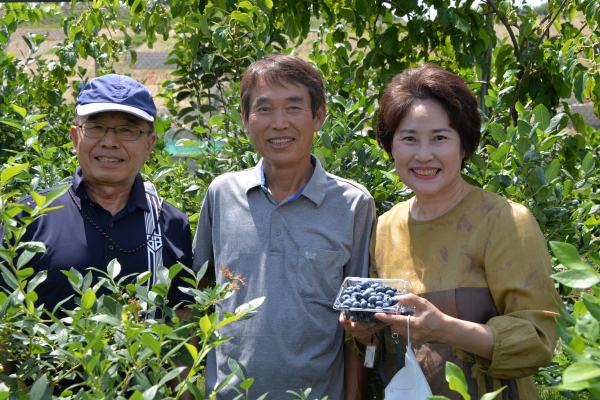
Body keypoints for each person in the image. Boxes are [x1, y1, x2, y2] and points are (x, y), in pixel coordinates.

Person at [341, 64, 560, 399]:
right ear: (391, 147)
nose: (423, 154)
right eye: (409, 139)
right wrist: (364, 335)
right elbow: (376, 354)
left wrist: (445, 329)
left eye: (439, 138)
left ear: (464, 145)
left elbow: (538, 341)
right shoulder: (385, 227)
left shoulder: (504, 221)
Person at [193, 55, 376, 399]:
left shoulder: (352, 205)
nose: (279, 124)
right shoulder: (222, 194)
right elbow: (193, 296)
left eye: (293, 108)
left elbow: (359, 324)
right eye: (264, 109)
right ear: (245, 118)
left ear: (318, 116)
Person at [1, 74, 192, 320]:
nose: (110, 142)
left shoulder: (171, 224)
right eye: (96, 127)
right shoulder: (26, 218)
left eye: (127, 130)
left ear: (148, 146)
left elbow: (184, 321)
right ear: (75, 138)